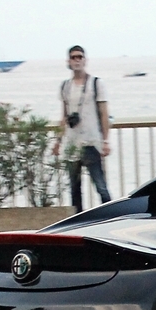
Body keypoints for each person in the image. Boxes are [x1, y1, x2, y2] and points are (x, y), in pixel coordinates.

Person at [52, 45, 111, 212]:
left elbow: (104, 114)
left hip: (91, 142)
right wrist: (58, 141)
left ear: (85, 60)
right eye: (73, 57)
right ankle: (78, 223)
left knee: (100, 186)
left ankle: (110, 217)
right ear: (68, 61)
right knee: (75, 189)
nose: (77, 60)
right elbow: (63, 115)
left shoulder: (96, 83)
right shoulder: (65, 86)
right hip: (72, 143)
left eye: (80, 57)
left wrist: (105, 141)